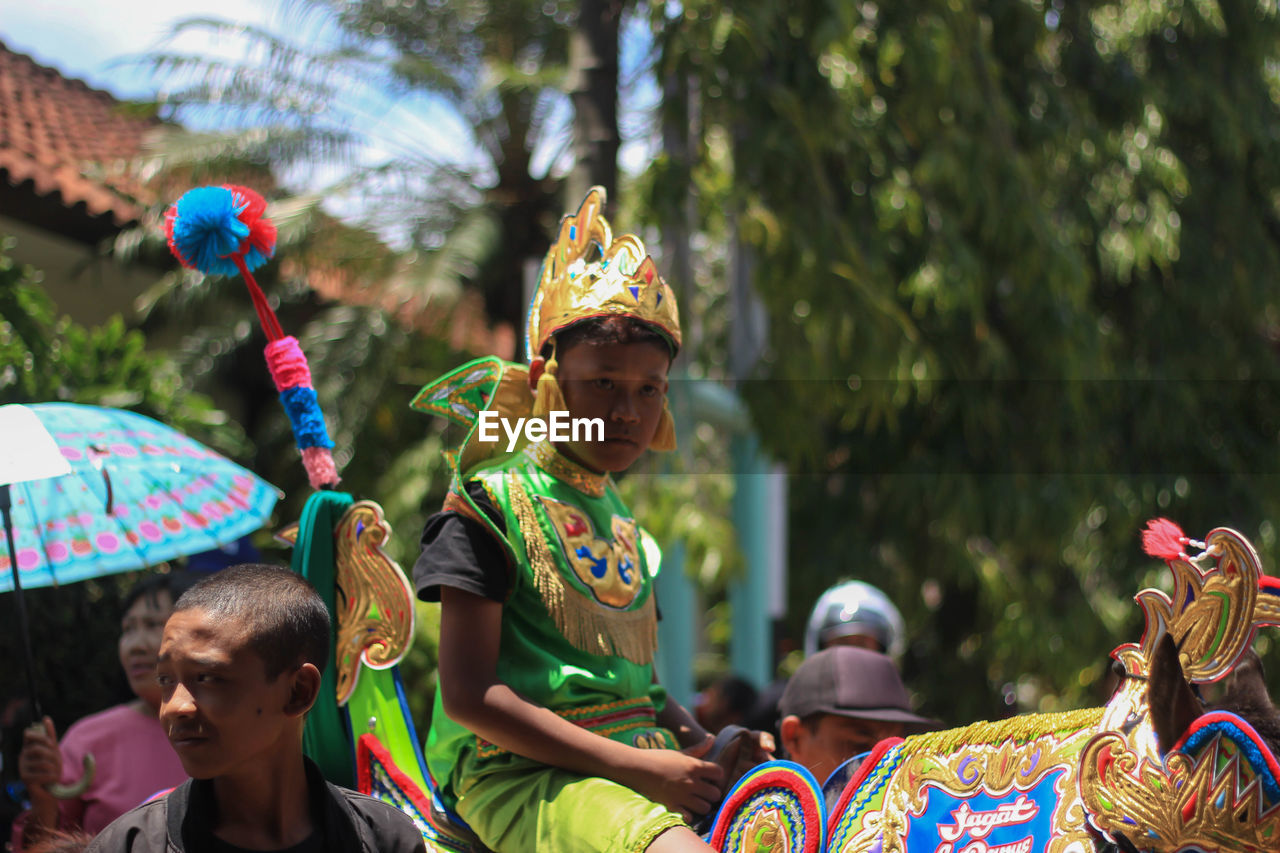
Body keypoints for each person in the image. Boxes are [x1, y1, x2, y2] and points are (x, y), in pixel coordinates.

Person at [413, 187, 770, 853]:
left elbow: (641, 689)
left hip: (637, 759)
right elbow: (466, 696)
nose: (628, 412)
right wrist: (637, 766)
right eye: (603, 383)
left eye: (648, 389)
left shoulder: (624, 519)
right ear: (548, 378)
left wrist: (702, 740)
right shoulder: (488, 501)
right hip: (517, 773)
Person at [85, 564, 425, 852]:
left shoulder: (383, 839)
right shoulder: (131, 844)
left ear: (298, 692)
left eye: (207, 678)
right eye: (165, 681)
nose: (175, 708)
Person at [12, 572, 196, 850]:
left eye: (153, 625)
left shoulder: (229, 729)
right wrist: (42, 795)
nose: (136, 645)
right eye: (128, 629)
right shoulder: (89, 737)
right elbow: (39, 844)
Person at [778, 646, 937, 788]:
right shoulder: (758, 818)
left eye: (896, 750)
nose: (885, 766)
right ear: (794, 738)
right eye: (861, 742)